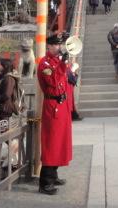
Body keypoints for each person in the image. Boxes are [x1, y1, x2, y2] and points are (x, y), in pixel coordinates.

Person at [37, 32, 73, 194]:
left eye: (60, 45)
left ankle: (54, 174)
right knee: (51, 142)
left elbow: (65, 80)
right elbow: (52, 82)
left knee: (61, 140)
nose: (59, 47)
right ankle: (45, 182)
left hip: (62, 104)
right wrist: (63, 66)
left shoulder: (57, 61)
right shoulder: (44, 64)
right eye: (56, 45)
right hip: (52, 105)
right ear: (48, 46)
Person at [0, 58, 23, 178]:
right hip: (4, 110)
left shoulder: (8, 79)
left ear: (4, 66)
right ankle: (14, 160)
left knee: (5, 135)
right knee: (5, 135)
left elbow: (6, 95)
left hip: (5, 110)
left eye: (0, 65)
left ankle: (14, 161)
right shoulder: (7, 78)